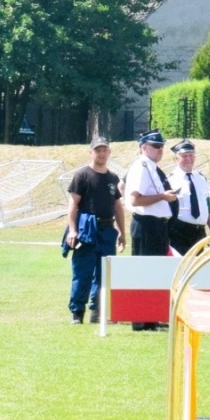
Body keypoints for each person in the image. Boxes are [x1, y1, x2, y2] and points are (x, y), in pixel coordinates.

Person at [66, 137, 127, 324]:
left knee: (104, 274)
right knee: (83, 273)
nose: (101, 154)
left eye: (104, 150)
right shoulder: (82, 175)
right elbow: (73, 204)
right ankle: (77, 313)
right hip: (87, 230)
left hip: (107, 231)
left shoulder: (112, 178)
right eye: (98, 150)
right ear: (91, 153)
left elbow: (118, 206)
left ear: (109, 152)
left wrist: (122, 233)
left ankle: (98, 311)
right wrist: (73, 230)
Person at [124, 130, 176, 329]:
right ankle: (140, 320)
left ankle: (151, 318)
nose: (160, 150)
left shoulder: (151, 167)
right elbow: (135, 199)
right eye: (155, 146)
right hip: (146, 225)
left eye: (161, 146)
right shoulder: (141, 167)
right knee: (144, 273)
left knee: (155, 273)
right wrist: (162, 197)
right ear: (143, 147)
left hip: (157, 225)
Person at [165, 139, 210, 255]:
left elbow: (207, 206)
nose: (188, 158)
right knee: (179, 264)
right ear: (176, 158)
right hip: (179, 232)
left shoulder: (201, 178)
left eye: (191, 155)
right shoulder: (170, 180)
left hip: (199, 233)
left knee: (198, 265)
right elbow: (166, 210)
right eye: (184, 156)